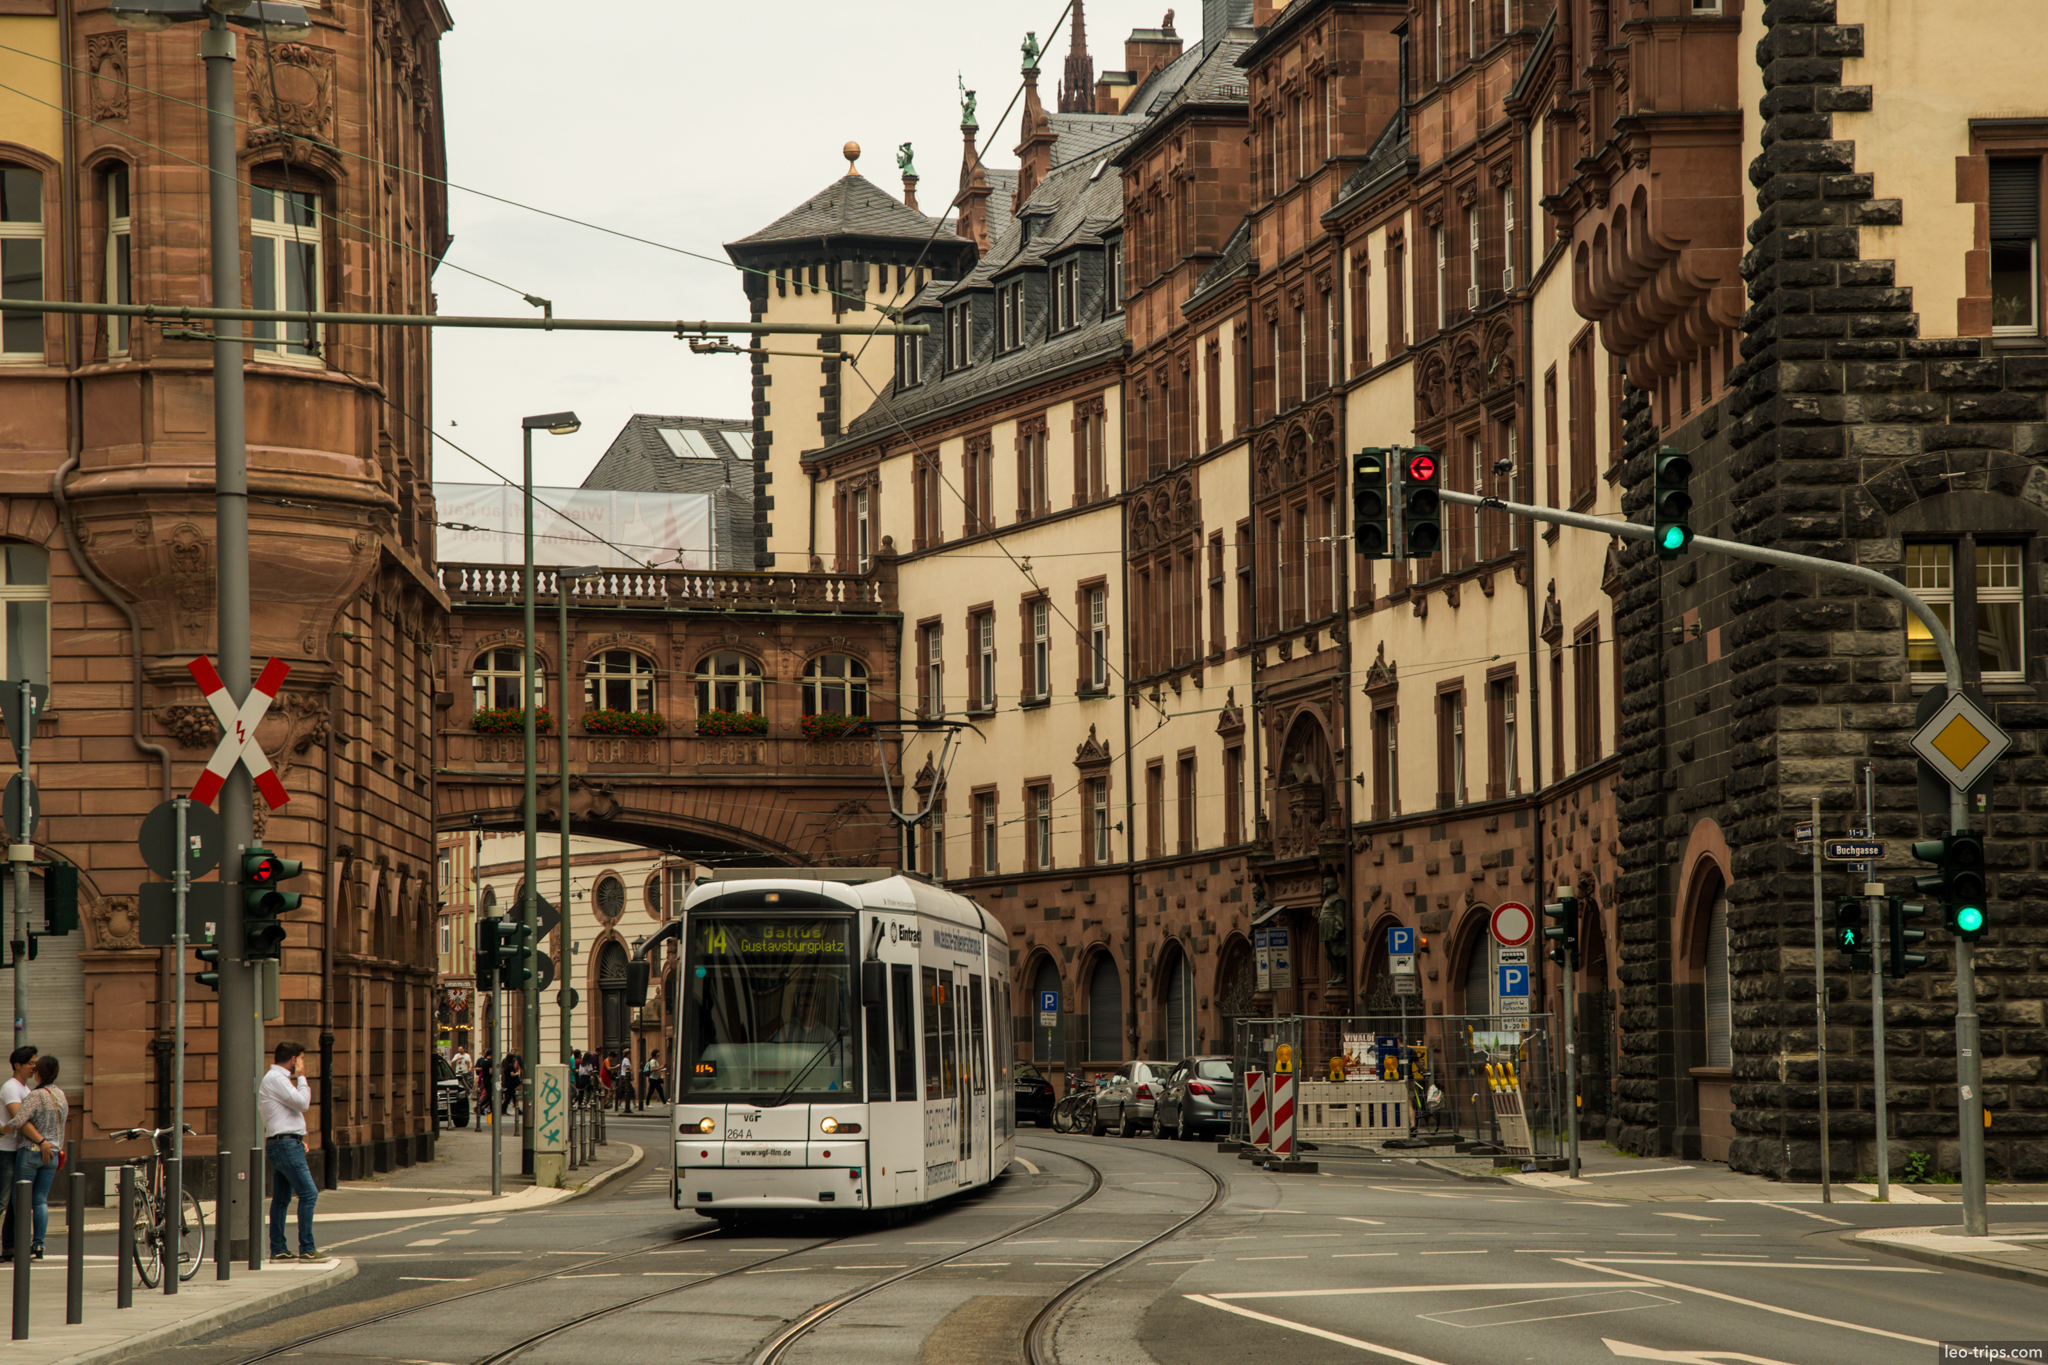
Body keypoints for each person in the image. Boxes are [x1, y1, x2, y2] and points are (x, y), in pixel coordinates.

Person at [260, 1041, 324, 1262]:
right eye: (302, 1059)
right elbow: (303, 1103)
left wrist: (297, 1137)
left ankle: (278, 1248)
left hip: (283, 1143)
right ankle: (307, 1248)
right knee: (309, 1194)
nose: (303, 1063)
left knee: (281, 1199)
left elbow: (287, 1113)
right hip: (285, 1145)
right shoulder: (278, 1079)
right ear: (294, 1060)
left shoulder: (276, 1080)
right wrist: (302, 1077)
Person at [11, 1056, 66, 1259]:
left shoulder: (36, 1095)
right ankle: (39, 1245)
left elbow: (18, 1121)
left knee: (21, 1199)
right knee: (41, 1200)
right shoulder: (60, 1095)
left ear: (39, 1073)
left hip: (31, 1151)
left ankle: (23, 1242)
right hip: (51, 1153)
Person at [0, 1045, 35, 1262]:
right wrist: (41, 1140)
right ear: (17, 1065)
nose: (34, 1066)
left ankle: (10, 1247)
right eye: (30, 1062)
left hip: (19, 1150)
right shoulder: (11, 1088)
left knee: (15, 1201)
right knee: (2, 1200)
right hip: (6, 1150)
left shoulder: (27, 1090)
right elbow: (19, 1120)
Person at [500, 1051, 522, 1123]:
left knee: (512, 1096)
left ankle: (518, 1110)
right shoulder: (510, 1066)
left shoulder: (506, 1065)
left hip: (508, 1082)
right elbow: (512, 1074)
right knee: (509, 1097)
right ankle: (502, 1108)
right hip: (511, 1083)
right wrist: (517, 1073)